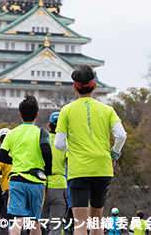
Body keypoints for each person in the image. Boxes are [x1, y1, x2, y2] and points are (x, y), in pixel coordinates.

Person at [55, 65, 127, 235]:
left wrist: (68, 150)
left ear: (74, 88)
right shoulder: (107, 110)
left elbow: (59, 144)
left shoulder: (66, 111)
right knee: (96, 221)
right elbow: (121, 135)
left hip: (78, 169)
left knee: (80, 223)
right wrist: (114, 153)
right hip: (102, 168)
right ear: (95, 86)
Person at [0, 94, 52, 235]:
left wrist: (15, 160)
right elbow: (46, 150)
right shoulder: (41, 132)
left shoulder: (12, 134)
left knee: (18, 220)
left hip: (17, 180)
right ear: (37, 115)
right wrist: (47, 169)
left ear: (20, 115)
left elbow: (2, 156)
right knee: (35, 220)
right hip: (36, 181)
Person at [41, 112, 68, 235]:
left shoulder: (40, 140)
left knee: (39, 226)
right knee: (55, 227)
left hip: (40, 186)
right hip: (58, 186)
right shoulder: (65, 143)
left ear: (49, 125)